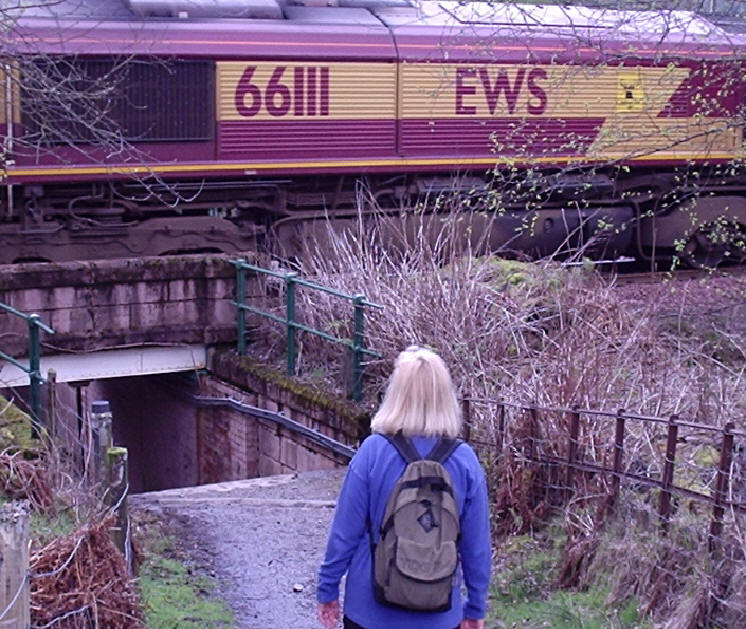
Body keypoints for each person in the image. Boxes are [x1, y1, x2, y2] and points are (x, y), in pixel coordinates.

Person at [317, 346, 491, 629]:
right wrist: (475, 607)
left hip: (369, 613)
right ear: (445, 396)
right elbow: (477, 547)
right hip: (440, 615)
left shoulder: (372, 452)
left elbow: (344, 533)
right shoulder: (465, 461)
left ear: (395, 393)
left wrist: (327, 589)